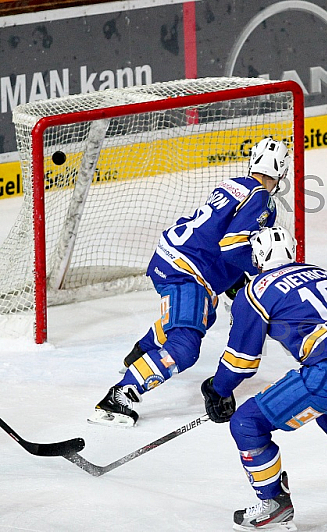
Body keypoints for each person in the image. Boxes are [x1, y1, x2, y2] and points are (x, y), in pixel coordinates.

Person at [89, 137, 292, 427]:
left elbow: (215, 233)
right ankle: (117, 398)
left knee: (203, 313)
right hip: (187, 270)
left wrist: (234, 281)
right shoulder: (261, 199)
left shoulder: (233, 184)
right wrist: (260, 275)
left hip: (171, 255)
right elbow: (233, 245)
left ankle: (142, 354)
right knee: (184, 347)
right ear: (282, 171)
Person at [200, 225, 327, 531]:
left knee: (247, 423)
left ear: (257, 257)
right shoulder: (320, 272)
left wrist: (218, 388)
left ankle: (274, 504)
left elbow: (242, 361)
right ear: (292, 251)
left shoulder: (255, 291)